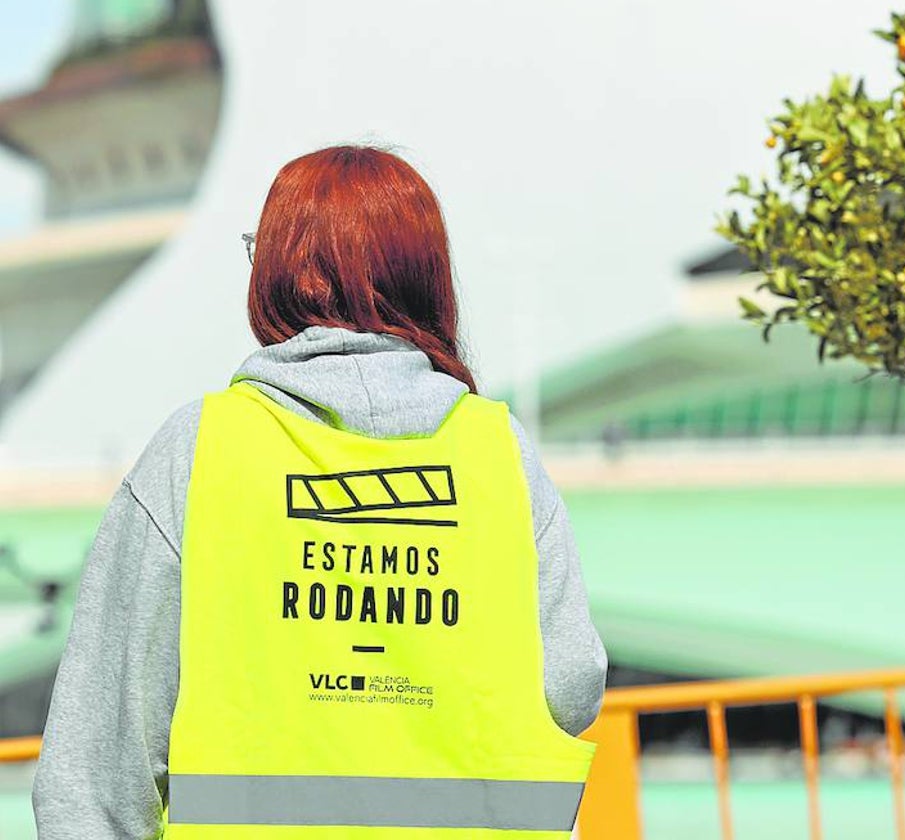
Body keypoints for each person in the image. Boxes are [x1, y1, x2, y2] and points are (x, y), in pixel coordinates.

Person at [32, 145, 607, 838]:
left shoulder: (199, 451)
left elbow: (97, 768)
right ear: (425, 278)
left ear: (277, 276)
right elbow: (570, 683)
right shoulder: (498, 453)